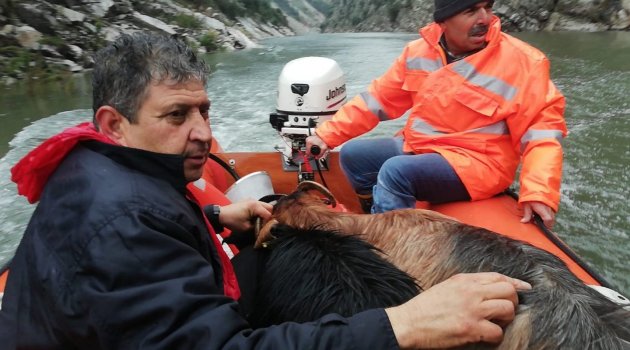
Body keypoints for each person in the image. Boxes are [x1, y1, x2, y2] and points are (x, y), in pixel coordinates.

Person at [0, 32, 531, 349]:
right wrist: (400, 326)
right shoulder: (122, 222)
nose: (203, 133)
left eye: (204, 111)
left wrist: (214, 219)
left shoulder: (104, 168)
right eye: (177, 115)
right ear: (113, 123)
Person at [306, 0, 567, 228]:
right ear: (444, 19)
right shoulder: (417, 52)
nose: (485, 19)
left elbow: (541, 130)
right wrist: (326, 136)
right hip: (422, 147)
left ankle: (394, 251)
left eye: (487, 7)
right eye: (471, 10)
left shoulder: (524, 62)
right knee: (354, 156)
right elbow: (377, 99)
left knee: (396, 172)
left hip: (479, 163)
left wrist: (538, 192)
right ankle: (374, 216)